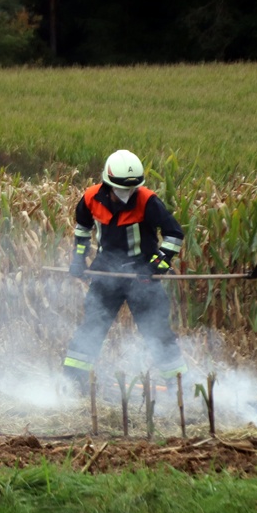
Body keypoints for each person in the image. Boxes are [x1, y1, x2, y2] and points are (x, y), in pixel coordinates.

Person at [62, 149, 187, 392]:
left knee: (157, 331)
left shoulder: (148, 201)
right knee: (92, 326)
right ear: (107, 183)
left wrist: (156, 267)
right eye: (120, 189)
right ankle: (72, 383)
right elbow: (82, 228)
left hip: (142, 277)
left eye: (131, 189)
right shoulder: (90, 198)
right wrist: (79, 258)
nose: (126, 195)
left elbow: (174, 235)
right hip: (106, 274)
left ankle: (179, 387)